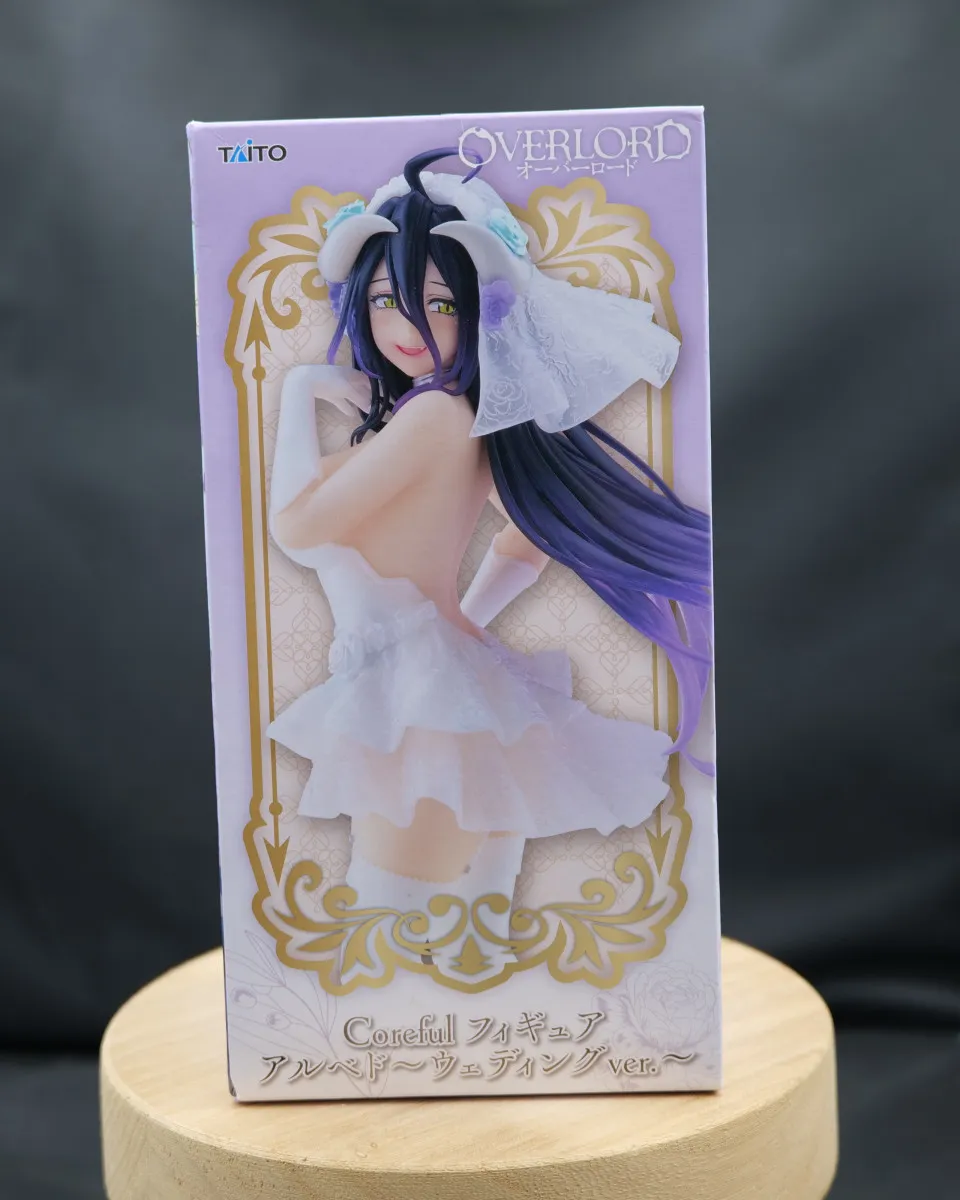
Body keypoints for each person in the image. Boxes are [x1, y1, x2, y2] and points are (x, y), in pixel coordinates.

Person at [266, 148, 712, 980]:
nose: (407, 325)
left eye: (441, 303)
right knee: (465, 950)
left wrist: (300, 395)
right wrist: (460, 620)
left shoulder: (435, 416)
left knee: (389, 940)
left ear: (483, 311)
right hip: (441, 684)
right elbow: (528, 536)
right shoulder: (450, 416)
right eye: (385, 300)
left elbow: (296, 528)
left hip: (423, 698)